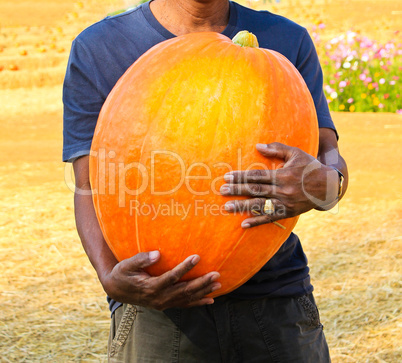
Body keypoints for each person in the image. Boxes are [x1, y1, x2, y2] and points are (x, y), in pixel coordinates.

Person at [63, 0, 348, 361]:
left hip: (276, 302)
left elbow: (329, 154)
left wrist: (329, 185)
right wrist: (109, 277)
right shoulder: (101, 46)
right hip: (155, 306)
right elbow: (87, 182)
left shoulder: (288, 40)